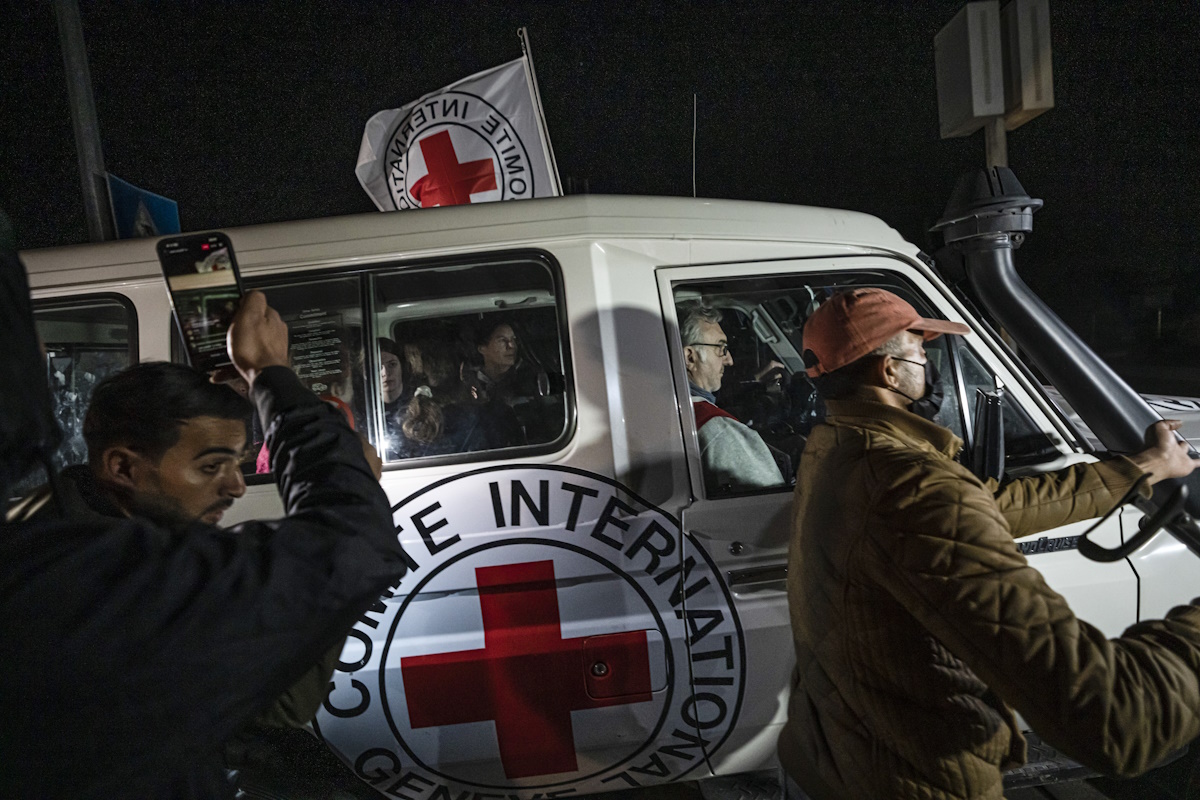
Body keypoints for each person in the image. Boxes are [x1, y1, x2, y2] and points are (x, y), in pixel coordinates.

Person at [778, 287, 1200, 800]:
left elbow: (984, 505)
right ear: (889, 372)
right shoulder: (909, 484)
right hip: (915, 779)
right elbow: (1115, 721)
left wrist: (1140, 469)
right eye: (920, 351)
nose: (928, 365)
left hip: (838, 755)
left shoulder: (836, 451)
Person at [0, 282, 407, 798]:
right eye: (211, 466)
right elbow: (282, 702)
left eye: (238, 463)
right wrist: (271, 375)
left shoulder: (53, 527)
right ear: (122, 467)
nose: (236, 486)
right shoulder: (114, 577)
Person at [678, 302, 784, 493]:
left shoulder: (662, 411)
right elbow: (773, 501)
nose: (729, 360)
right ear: (690, 357)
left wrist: (755, 380)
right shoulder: (715, 428)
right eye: (721, 348)